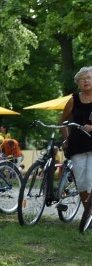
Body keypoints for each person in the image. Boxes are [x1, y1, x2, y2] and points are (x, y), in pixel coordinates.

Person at [61, 66, 92, 215]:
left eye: (88, 78)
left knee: (91, 182)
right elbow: (63, 122)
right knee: (81, 183)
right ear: (78, 83)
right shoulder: (73, 99)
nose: (86, 81)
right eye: (82, 79)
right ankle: (88, 214)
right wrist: (66, 138)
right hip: (77, 145)